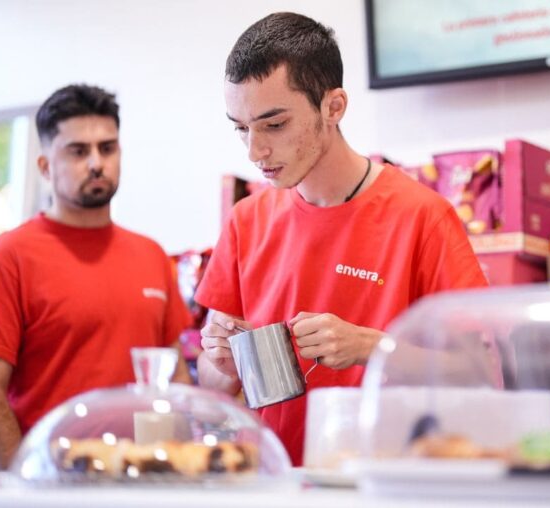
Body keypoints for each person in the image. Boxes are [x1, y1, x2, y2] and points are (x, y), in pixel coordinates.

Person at [196, 12, 488, 466]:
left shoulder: (423, 217)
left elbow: (477, 374)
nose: (255, 152)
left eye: (274, 125)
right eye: (241, 128)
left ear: (333, 107)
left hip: (387, 482)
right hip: (279, 481)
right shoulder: (245, 221)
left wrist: (369, 347)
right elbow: (212, 384)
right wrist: (220, 361)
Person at [0, 84, 192, 470]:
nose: (96, 162)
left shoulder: (151, 255)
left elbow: (175, 377)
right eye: (78, 151)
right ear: (46, 166)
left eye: (108, 148)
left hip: (143, 482)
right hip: (51, 484)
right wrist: (25, 483)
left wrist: (181, 469)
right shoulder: (7, 258)